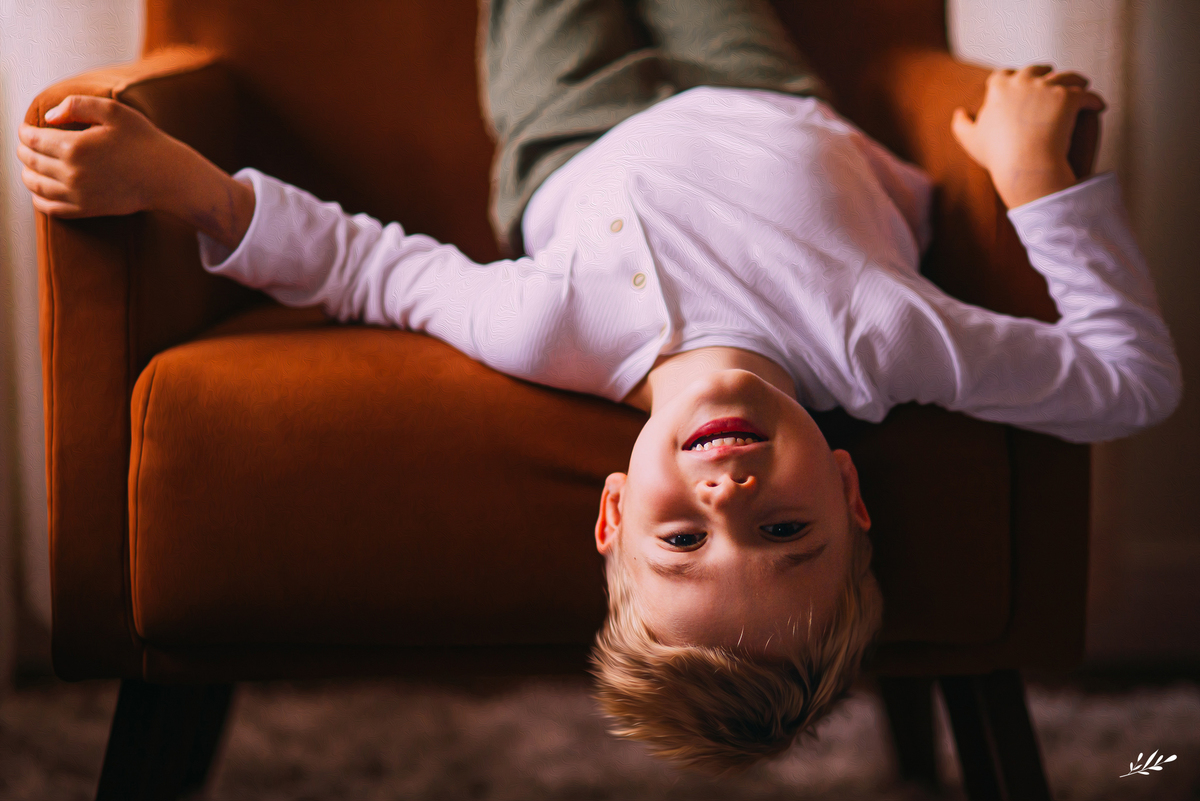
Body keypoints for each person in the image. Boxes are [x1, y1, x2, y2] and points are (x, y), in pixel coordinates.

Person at [17, 0, 1182, 774]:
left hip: (567, 132)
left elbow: (369, 268)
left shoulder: (550, 330)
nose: (729, 497)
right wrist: (1038, 181)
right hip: (764, 91)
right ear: (849, 491)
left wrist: (187, 187)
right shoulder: (885, 344)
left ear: (615, 514)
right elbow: (1131, 384)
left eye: (683, 542)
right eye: (786, 533)